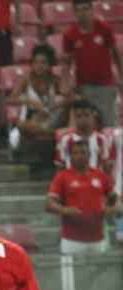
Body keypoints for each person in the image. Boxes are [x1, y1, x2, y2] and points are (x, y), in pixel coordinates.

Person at [46, 138, 120, 254]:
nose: (79, 156)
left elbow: (116, 200)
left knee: (102, 272)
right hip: (71, 240)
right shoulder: (62, 177)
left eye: (83, 152)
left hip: (98, 240)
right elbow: (49, 205)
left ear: (90, 155)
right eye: (75, 153)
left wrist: (112, 209)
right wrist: (65, 210)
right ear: (70, 156)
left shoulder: (100, 176)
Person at [61, 0, 123, 131]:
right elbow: (66, 62)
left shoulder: (104, 28)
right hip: (84, 87)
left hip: (105, 86)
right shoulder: (69, 34)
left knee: (109, 126)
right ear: (74, 12)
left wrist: (121, 76)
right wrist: (65, 83)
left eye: (85, 9)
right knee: (86, 127)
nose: (83, 13)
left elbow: (116, 54)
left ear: (91, 10)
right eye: (79, 10)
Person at [9, 44, 67, 157]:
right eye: (36, 62)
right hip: (31, 119)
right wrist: (30, 102)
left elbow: (71, 97)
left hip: (50, 119)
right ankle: (54, 134)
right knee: (21, 124)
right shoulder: (25, 80)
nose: (39, 66)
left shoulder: (56, 81)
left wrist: (55, 105)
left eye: (43, 62)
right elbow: (12, 99)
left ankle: (51, 133)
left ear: (50, 64)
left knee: (66, 105)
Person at [55, 99, 117, 175]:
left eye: (87, 115)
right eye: (79, 116)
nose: (83, 119)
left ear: (93, 116)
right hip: (71, 184)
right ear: (74, 118)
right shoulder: (65, 140)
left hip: (96, 184)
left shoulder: (102, 139)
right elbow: (60, 167)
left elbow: (107, 168)